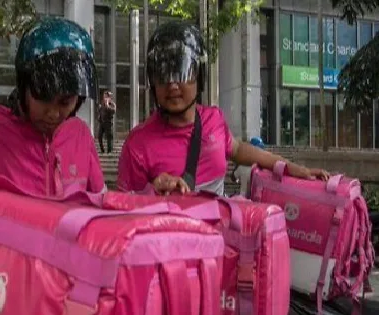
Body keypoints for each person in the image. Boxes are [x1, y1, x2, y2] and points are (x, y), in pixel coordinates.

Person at [117, 21, 329, 196]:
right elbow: (123, 209)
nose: (172, 85)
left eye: (182, 73)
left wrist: (289, 167)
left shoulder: (214, 119)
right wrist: (152, 192)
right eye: (163, 75)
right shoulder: (137, 145)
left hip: (221, 231)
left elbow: (237, 149)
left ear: (200, 76)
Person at [0, 16, 106, 196]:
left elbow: (99, 202)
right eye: (44, 98)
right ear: (24, 88)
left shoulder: (80, 136)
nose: (53, 114)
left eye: (65, 102)